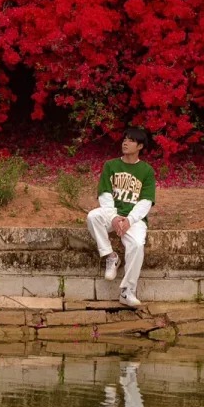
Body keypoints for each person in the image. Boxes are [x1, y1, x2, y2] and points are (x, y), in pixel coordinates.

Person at [86, 125, 156, 309]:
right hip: (113, 214)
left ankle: (127, 291)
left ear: (140, 146)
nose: (125, 142)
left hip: (134, 219)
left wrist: (130, 220)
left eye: (131, 140)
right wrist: (114, 218)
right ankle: (111, 256)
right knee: (93, 217)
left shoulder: (147, 171)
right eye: (125, 139)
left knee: (137, 245)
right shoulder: (111, 165)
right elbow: (105, 194)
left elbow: (146, 201)